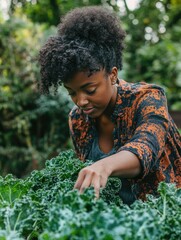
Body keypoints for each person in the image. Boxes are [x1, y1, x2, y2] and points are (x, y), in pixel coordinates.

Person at [38, 6, 181, 204]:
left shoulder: (148, 99)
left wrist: (104, 166)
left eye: (90, 90)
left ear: (112, 75)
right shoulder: (77, 120)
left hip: (166, 215)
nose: (81, 101)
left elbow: (146, 148)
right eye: (72, 92)